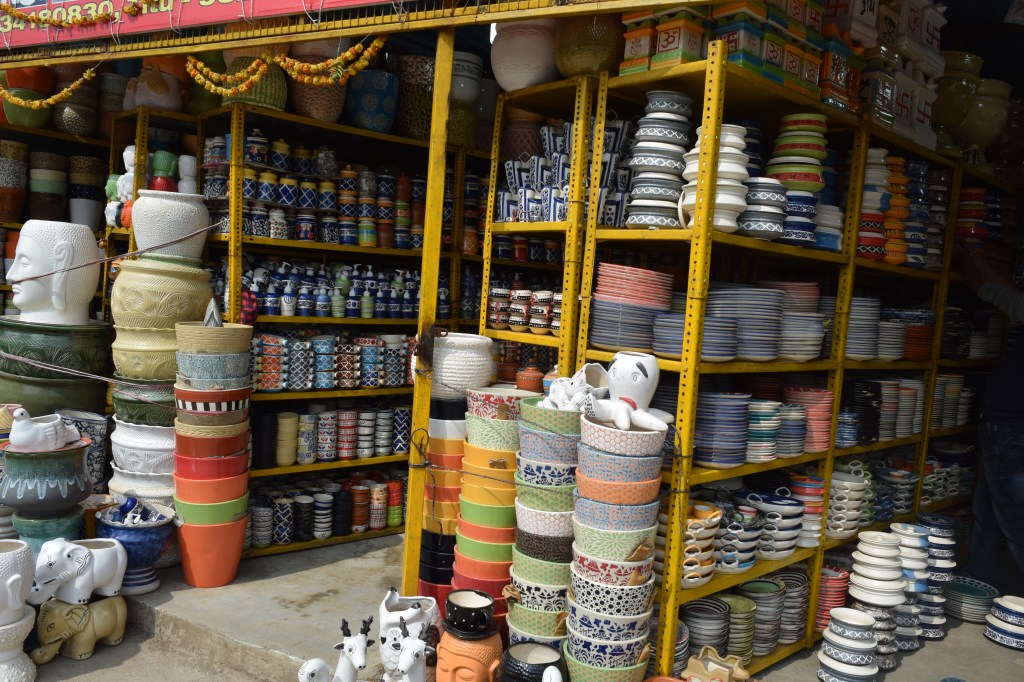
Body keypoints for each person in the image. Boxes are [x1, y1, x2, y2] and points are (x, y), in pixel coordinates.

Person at [958, 243, 1024, 583]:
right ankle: (976, 578)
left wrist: (970, 258)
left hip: (1011, 423)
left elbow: (1003, 297)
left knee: (1013, 515)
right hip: (1004, 421)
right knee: (988, 509)